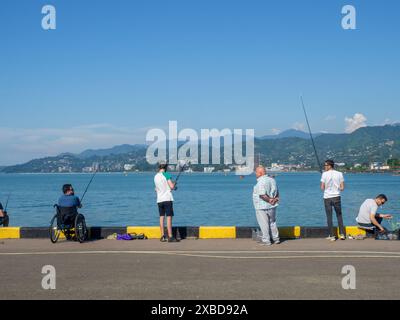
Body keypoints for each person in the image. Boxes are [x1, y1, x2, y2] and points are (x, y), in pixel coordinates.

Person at [252, 165, 280, 246]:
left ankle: (266, 240)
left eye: (256, 172)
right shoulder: (272, 180)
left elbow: (262, 195)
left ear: (260, 173)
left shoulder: (261, 181)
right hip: (272, 206)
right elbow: (277, 191)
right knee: (272, 222)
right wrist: (275, 199)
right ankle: (276, 238)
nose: (255, 174)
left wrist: (269, 200)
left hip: (262, 206)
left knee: (264, 223)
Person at [321, 159, 346, 241]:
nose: (324, 167)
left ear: (329, 165)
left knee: (329, 217)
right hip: (337, 197)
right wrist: (337, 187)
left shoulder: (324, 174)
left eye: (325, 165)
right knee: (339, 216)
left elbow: (322, 188)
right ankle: (342, 234)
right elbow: (342, 188)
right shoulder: (340, 174)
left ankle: (332, 235)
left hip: (327, 198)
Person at [154, 163, 179, 243]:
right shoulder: (166, 174)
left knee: (161, 217)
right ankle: (170, 236)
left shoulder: (156, 176)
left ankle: (162, 236)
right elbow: (171, 186)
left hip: (159, 200)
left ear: (159, 167)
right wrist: (174, 186)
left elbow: (156, 189)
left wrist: (168, 187)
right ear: (166, 167)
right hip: (167, 199)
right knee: (169, 217)